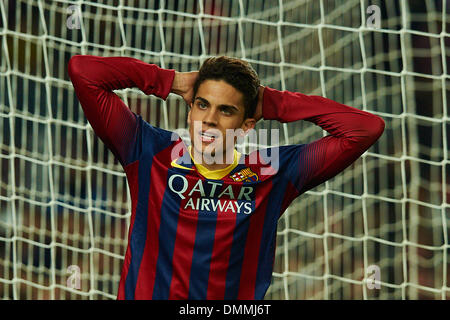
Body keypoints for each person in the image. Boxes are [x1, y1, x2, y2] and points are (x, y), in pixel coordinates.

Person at [67, 55, 385, 300]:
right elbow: (83, 72)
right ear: (190, 108)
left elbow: (364, 129)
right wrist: (171, 80)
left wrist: (273, 103)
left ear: (247, 125)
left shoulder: (270, 172)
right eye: (202, 105)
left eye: (225, 111)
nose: (209, 120)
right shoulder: (149, 152)